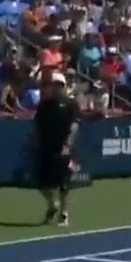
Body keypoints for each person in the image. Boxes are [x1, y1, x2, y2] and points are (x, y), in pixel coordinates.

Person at [32, 71, 79, 226]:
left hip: (63, 149)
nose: (57, 88)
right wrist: (36, 140)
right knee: (41, 183)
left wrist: (67, 144)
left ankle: (64, 213)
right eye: (55, 85)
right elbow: (38, 125)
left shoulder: (71, 104)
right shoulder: (44, 105)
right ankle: (53, 205)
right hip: (46, 147)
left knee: (64, 184)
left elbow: (74, 125)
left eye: (60, 85)